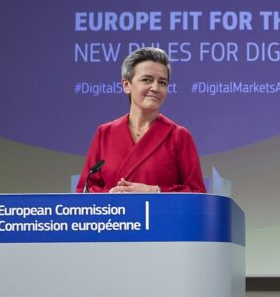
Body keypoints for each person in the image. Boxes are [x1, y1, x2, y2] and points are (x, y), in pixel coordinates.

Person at [76, 47, 206, 193]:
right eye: (147, 80)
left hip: (161, 216)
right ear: (126, 85)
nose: (156, 88)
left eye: (162, 82)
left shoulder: (179, 136)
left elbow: (197, 194)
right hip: (115, 216)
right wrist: (110, 197)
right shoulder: (104, 133)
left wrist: (155, 192)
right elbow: (84, 191)